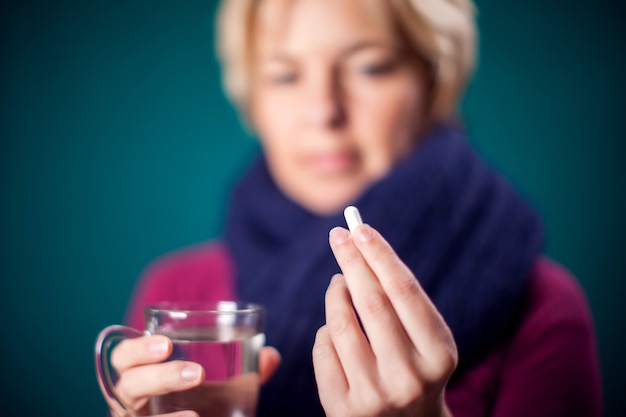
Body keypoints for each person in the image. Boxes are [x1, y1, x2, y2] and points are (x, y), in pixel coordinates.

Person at [100, 0, 603, 416]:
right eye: (284, 75)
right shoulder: (178, 294)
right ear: (252, 100)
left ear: (432, 84)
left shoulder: (540, 308)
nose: (324, 111)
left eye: (370, 66)